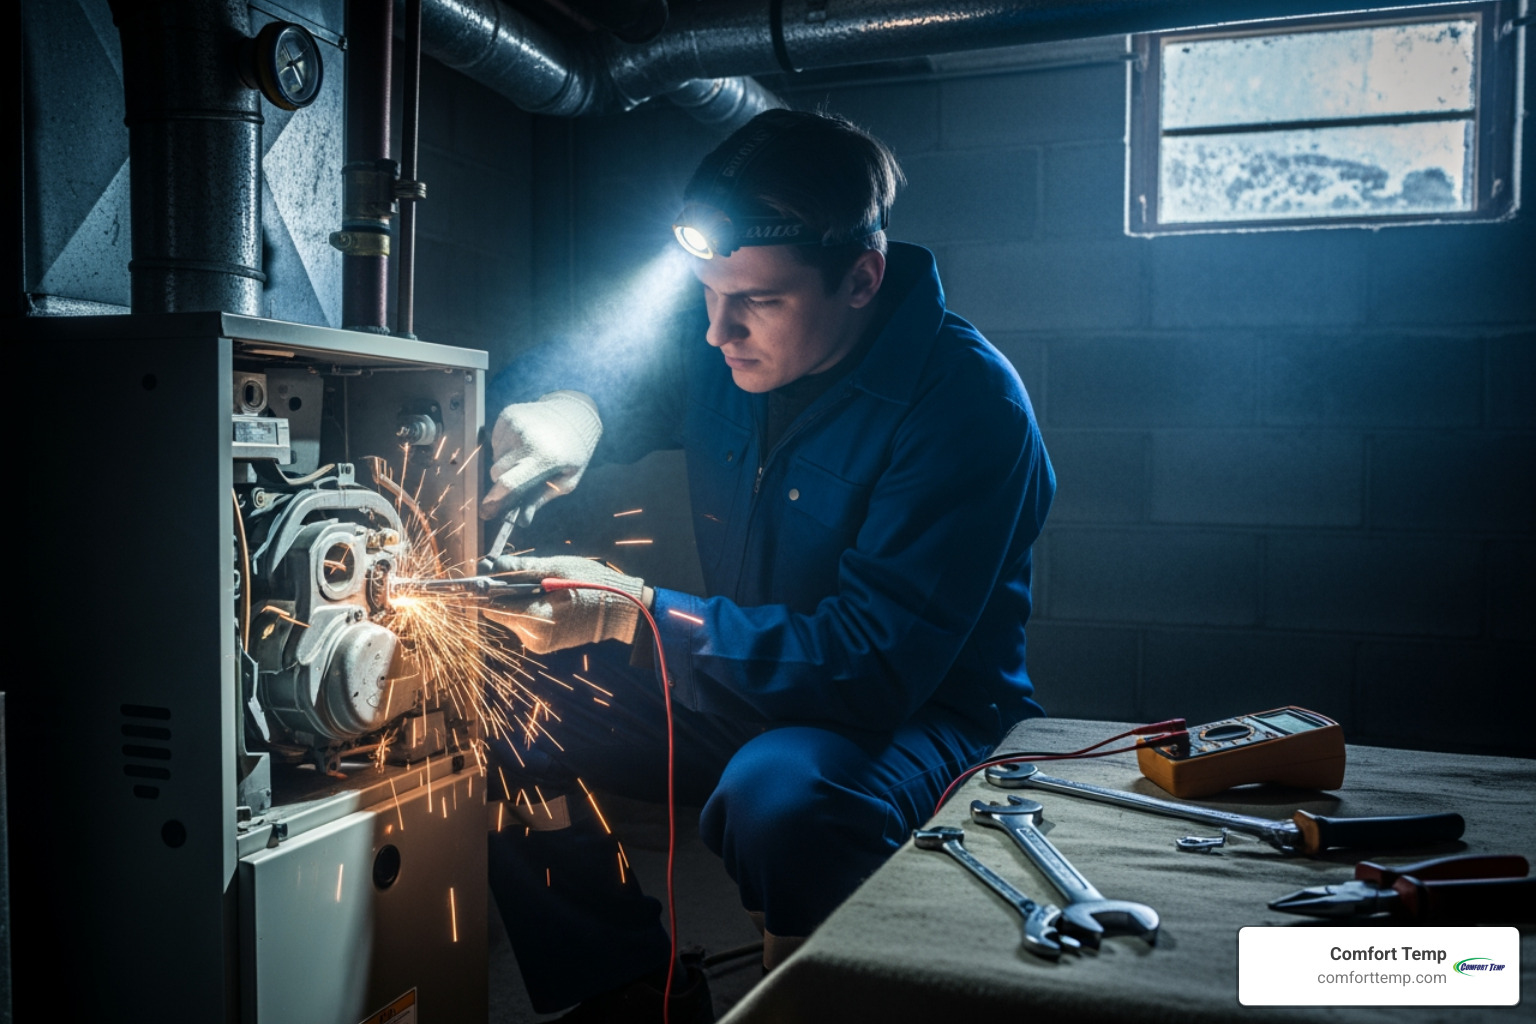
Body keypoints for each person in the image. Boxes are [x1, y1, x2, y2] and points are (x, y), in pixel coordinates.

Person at [478, 108, 1054, 1022]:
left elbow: (871, 665)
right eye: (709, 294)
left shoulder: (968, 407)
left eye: (757, 301)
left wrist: (631, 613)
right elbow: (615, 371)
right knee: (506, 698)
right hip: (743, 678)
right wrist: (573, 407)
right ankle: (633, 997)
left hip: (918, 717)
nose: (718, 331)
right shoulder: (730, 328)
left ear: (861, 277)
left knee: (780, 799)